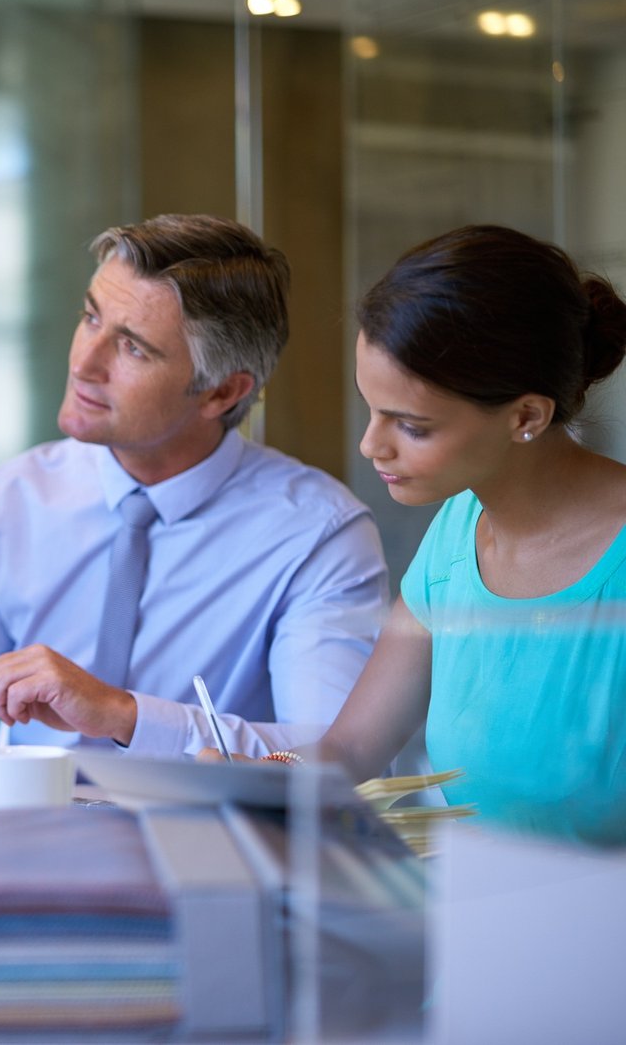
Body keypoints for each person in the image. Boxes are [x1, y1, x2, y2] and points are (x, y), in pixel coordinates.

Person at [0, 214, 391, 785]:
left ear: (222, 391)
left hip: (211, 839)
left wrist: (124, 715)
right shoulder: (13, 500)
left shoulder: (317, 535)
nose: (84, 364)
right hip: (26, 833)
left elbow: (335, 756)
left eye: (132, 347)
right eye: (91, 318)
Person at [212, 225, 626, 846]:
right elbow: (350, 748)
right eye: (372, 409)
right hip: (479, 895)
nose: (370, 445)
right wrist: (268, 775)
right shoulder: (456, 534)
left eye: (411, 426)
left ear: (526, 416)